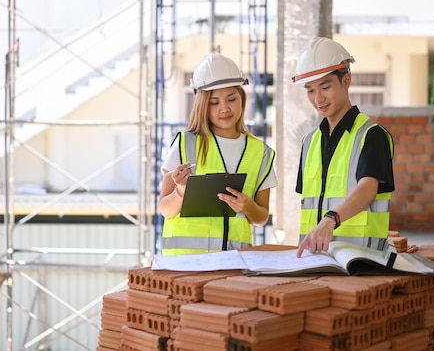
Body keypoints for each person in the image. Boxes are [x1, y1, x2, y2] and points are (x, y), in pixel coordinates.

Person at [158, 53, 277, 255]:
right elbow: (165, 209)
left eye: (231, 99)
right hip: (184, 266)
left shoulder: (260, 152)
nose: (225, 108)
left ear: (242, 98)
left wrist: (248, 207)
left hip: (234, 264)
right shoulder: (185, 143)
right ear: (202, 104)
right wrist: (180, 191)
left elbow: (261, 217)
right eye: (214, 102)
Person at [292, 36, 394, 257]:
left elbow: (368, 189)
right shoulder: (309, 142)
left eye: (325, 87)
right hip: (314, 259)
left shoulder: (372, 135)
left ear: (346, 81)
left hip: (361, 260)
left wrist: (331, 219)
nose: (318, 98)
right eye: (310, 90)